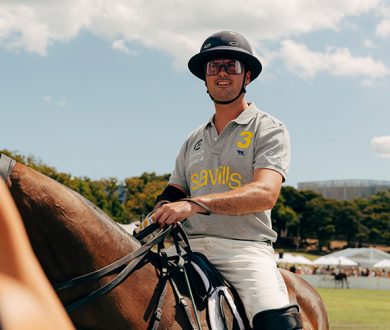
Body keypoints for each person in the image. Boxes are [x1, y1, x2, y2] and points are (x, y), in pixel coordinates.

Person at [152, 31, 302, 329]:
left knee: (278, 322)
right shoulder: (193, 139)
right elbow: (173, 191)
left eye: (230, 66)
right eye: (213, 67)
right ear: (205, 79)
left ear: (246, 76)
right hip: (188, 249)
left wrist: (194, 205)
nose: (221, 73)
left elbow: (265, 193)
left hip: (244, 250)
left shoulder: (268, 128)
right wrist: (161, 209)